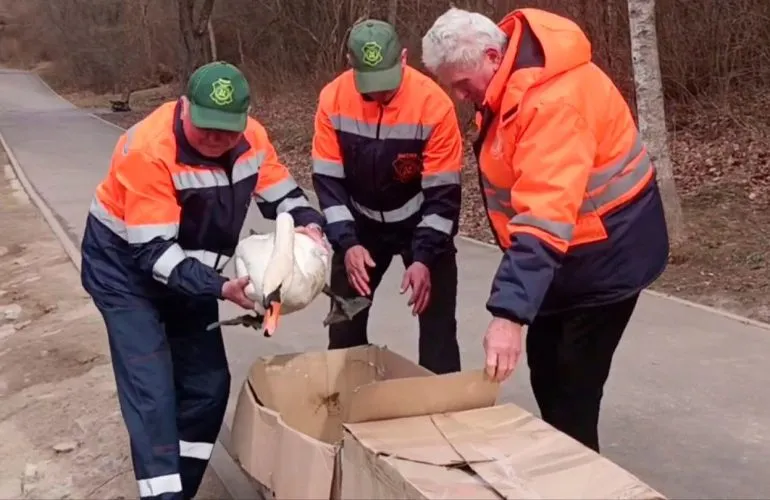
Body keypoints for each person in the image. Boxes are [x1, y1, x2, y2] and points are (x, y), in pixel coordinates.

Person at [421, 7, 670, 452]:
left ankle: (576, 476)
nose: (459, 96)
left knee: (571, 385)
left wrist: (508, 315)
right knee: (546, 366)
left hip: (608, 255)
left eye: (461, 83)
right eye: (451, 86)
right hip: (567, 257)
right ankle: (564, 461)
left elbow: (543, 215)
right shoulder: (509, 83)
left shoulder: (553, 102)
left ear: (493, 56)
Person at [80, 61, 326, 499]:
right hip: (124, 273)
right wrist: (222, 288)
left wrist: (309, 227)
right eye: (205, 127)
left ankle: (183, 486)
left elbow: (284, 198)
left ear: (245, 120)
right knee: (153, 393)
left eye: (226, 131)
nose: (215, 139)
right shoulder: (149, 149)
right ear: (184, 107)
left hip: (190, 272)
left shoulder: (253, 140)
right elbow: (153, 253)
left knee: (209, 387)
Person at [311, 19, 464, 374]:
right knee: (344, 327)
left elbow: (443, 195)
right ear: (351, 66)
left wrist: (424, 257)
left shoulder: (434, 105)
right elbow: (329, 182)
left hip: (420, 221)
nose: (379, 96)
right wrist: (347, 244)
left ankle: (441, 412)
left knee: (438, 331)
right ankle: (349, 406)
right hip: (361, 224)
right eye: (370, 87)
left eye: (387, 85)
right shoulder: (332, 99)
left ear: (405, 59)